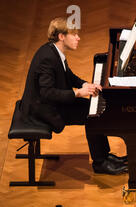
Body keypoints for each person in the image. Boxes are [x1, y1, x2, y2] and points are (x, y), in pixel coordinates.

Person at [19, 17, 127, 175]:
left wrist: (84, 84)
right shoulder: (47, 58)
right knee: (92, 115)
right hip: (42, 111)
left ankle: (104, 157)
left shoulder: (54, 51)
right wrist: (77, 93)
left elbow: (67, 75)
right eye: (74, 34)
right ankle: (100, 163)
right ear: (61, 37)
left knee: (94, 111)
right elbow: (47, 93)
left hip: (50, 103)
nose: (78, 38)